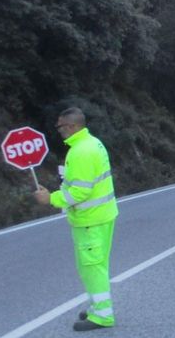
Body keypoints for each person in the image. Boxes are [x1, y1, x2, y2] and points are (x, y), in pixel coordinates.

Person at [34, 107, 118, 332]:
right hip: (100, 216)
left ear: (71, 126)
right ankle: (96, 306)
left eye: (60, 126)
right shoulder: (91, 143)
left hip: (90, 219)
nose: (58, 130)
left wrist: (50, 199)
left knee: (92, 267)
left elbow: (80, 192)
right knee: (92, 265)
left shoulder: (81, 151)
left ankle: (102, 315)